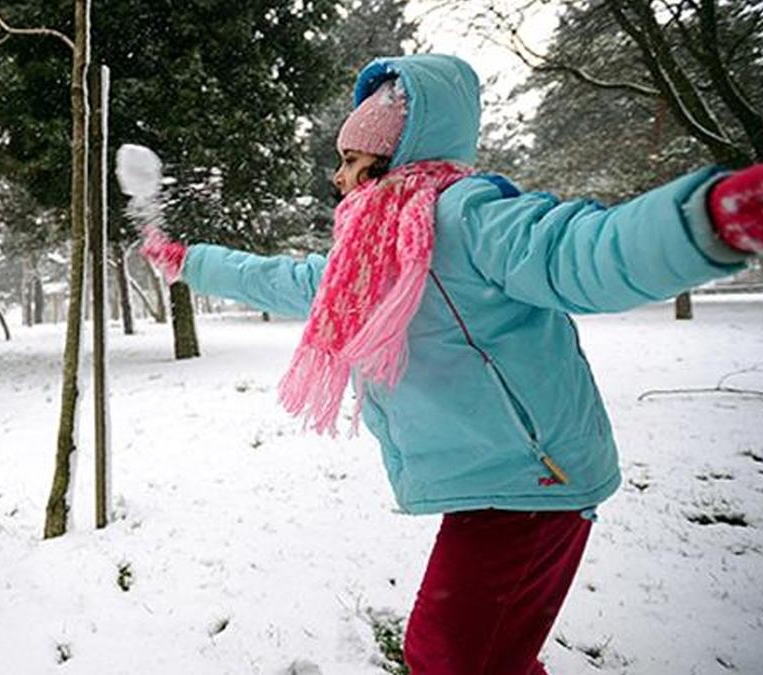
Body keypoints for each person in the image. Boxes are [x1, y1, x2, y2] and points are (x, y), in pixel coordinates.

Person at [139, 54, 762, 674]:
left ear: (397, 158)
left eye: (352, 161)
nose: (338, 178)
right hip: (493, 481)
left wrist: (706, 221)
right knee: (481, 656)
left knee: (449, 656)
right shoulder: (367, 253)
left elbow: (581, 250)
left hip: (535, 478)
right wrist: (192, 262)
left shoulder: (470, 218)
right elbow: (283, 278)